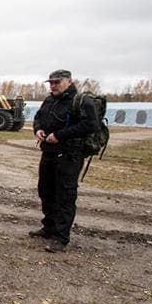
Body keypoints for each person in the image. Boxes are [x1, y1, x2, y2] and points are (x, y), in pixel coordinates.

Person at [31, 69, 98, 253]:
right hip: (49, 153)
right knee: (45, 191)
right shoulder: (50, 99)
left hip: (69, 155)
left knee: (65, 196)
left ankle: (61, 237)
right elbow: (38, 118)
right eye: (51, 82)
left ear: (69, 81)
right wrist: (37, 130)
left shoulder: (81, 101)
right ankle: (49, 227)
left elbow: (90, 124)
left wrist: (60, 135)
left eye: (57, 82)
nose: (53, 86)